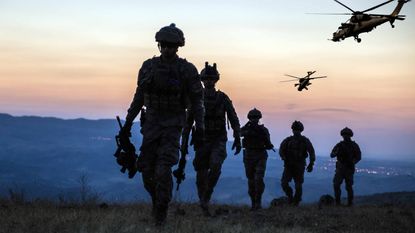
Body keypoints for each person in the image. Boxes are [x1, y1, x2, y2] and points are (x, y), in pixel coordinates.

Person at [119, 23, 205, 225]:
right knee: (146, 169)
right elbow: (139, 96)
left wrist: (199, 128)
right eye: (164, 45)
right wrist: (128, 123)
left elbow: (197, 101)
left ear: (178, 47)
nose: (167, 49)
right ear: (159, 45)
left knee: (163, 168)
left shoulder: (187, 69)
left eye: (171, 46)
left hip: (174, 124)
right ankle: (158, 201)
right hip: (151, 125)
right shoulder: (148, 66)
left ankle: (161, 213)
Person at [183, 62, 241, 215]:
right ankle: (203, 202)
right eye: (206, 79)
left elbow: (233, 118)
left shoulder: (222, 98)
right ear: (202, 80)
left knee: (215, 166)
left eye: (211, 79)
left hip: (218, 139)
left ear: (216, 80)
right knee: (201, 173)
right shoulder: (196, 98)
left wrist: (237, 137)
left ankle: (207, 195)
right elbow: (188, 120)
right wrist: (183, 142)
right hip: (201, 140)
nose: (209, 81)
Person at [241, 108, 274, 210]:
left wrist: (268, 144)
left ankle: (258, 202)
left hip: (260, 156)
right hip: (249, 156)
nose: (254, 119)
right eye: (252, 118)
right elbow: (238, 134)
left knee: (258, 179)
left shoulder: (263, 130)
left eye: (256, 118)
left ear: (259, 118)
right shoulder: (246, 129)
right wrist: (247, 127)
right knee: (251, 180)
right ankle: (253, 203)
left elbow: (268, 144)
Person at [279, 121, 315, 206]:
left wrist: (311, 163)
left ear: (301, 130)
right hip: (289, 165)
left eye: (298, 130)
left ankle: (296, 202)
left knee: (298, 185)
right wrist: (284, 157)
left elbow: (311, 152)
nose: (296, 131)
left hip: (299, 165)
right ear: (292, 130)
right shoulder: (288, 140)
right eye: (295, 129)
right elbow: (281, 150)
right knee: (284, 183)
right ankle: (290, 197)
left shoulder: (305, 141)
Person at [330, 127, 361, 206]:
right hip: (340, 168)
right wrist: (336, 152)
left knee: (349, 187)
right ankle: (338, 203)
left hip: (349, 169)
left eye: (347, 135)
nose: (345, 136)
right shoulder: (339, 145)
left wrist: (353, 162)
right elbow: (332, 155)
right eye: (344, 135)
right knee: (336, 185)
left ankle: (350, 203)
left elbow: (358, 157)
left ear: (350, 135)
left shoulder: (354, 145)